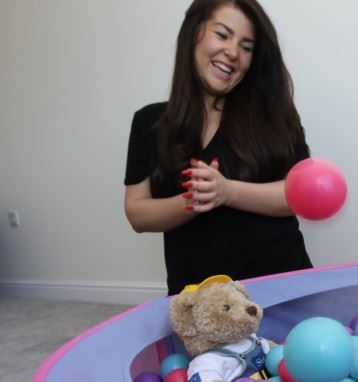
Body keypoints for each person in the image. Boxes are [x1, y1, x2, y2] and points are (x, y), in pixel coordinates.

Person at [124, 0, 313, 296]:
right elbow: (137, 212)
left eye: (246, 47)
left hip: (282, 290)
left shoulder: (275, 115)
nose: (233, 53)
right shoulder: (149, 122)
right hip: (198, 305)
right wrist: (193, 200)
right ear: (194, 32)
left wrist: (227, 191)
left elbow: (300, 195)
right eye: (223, 35)